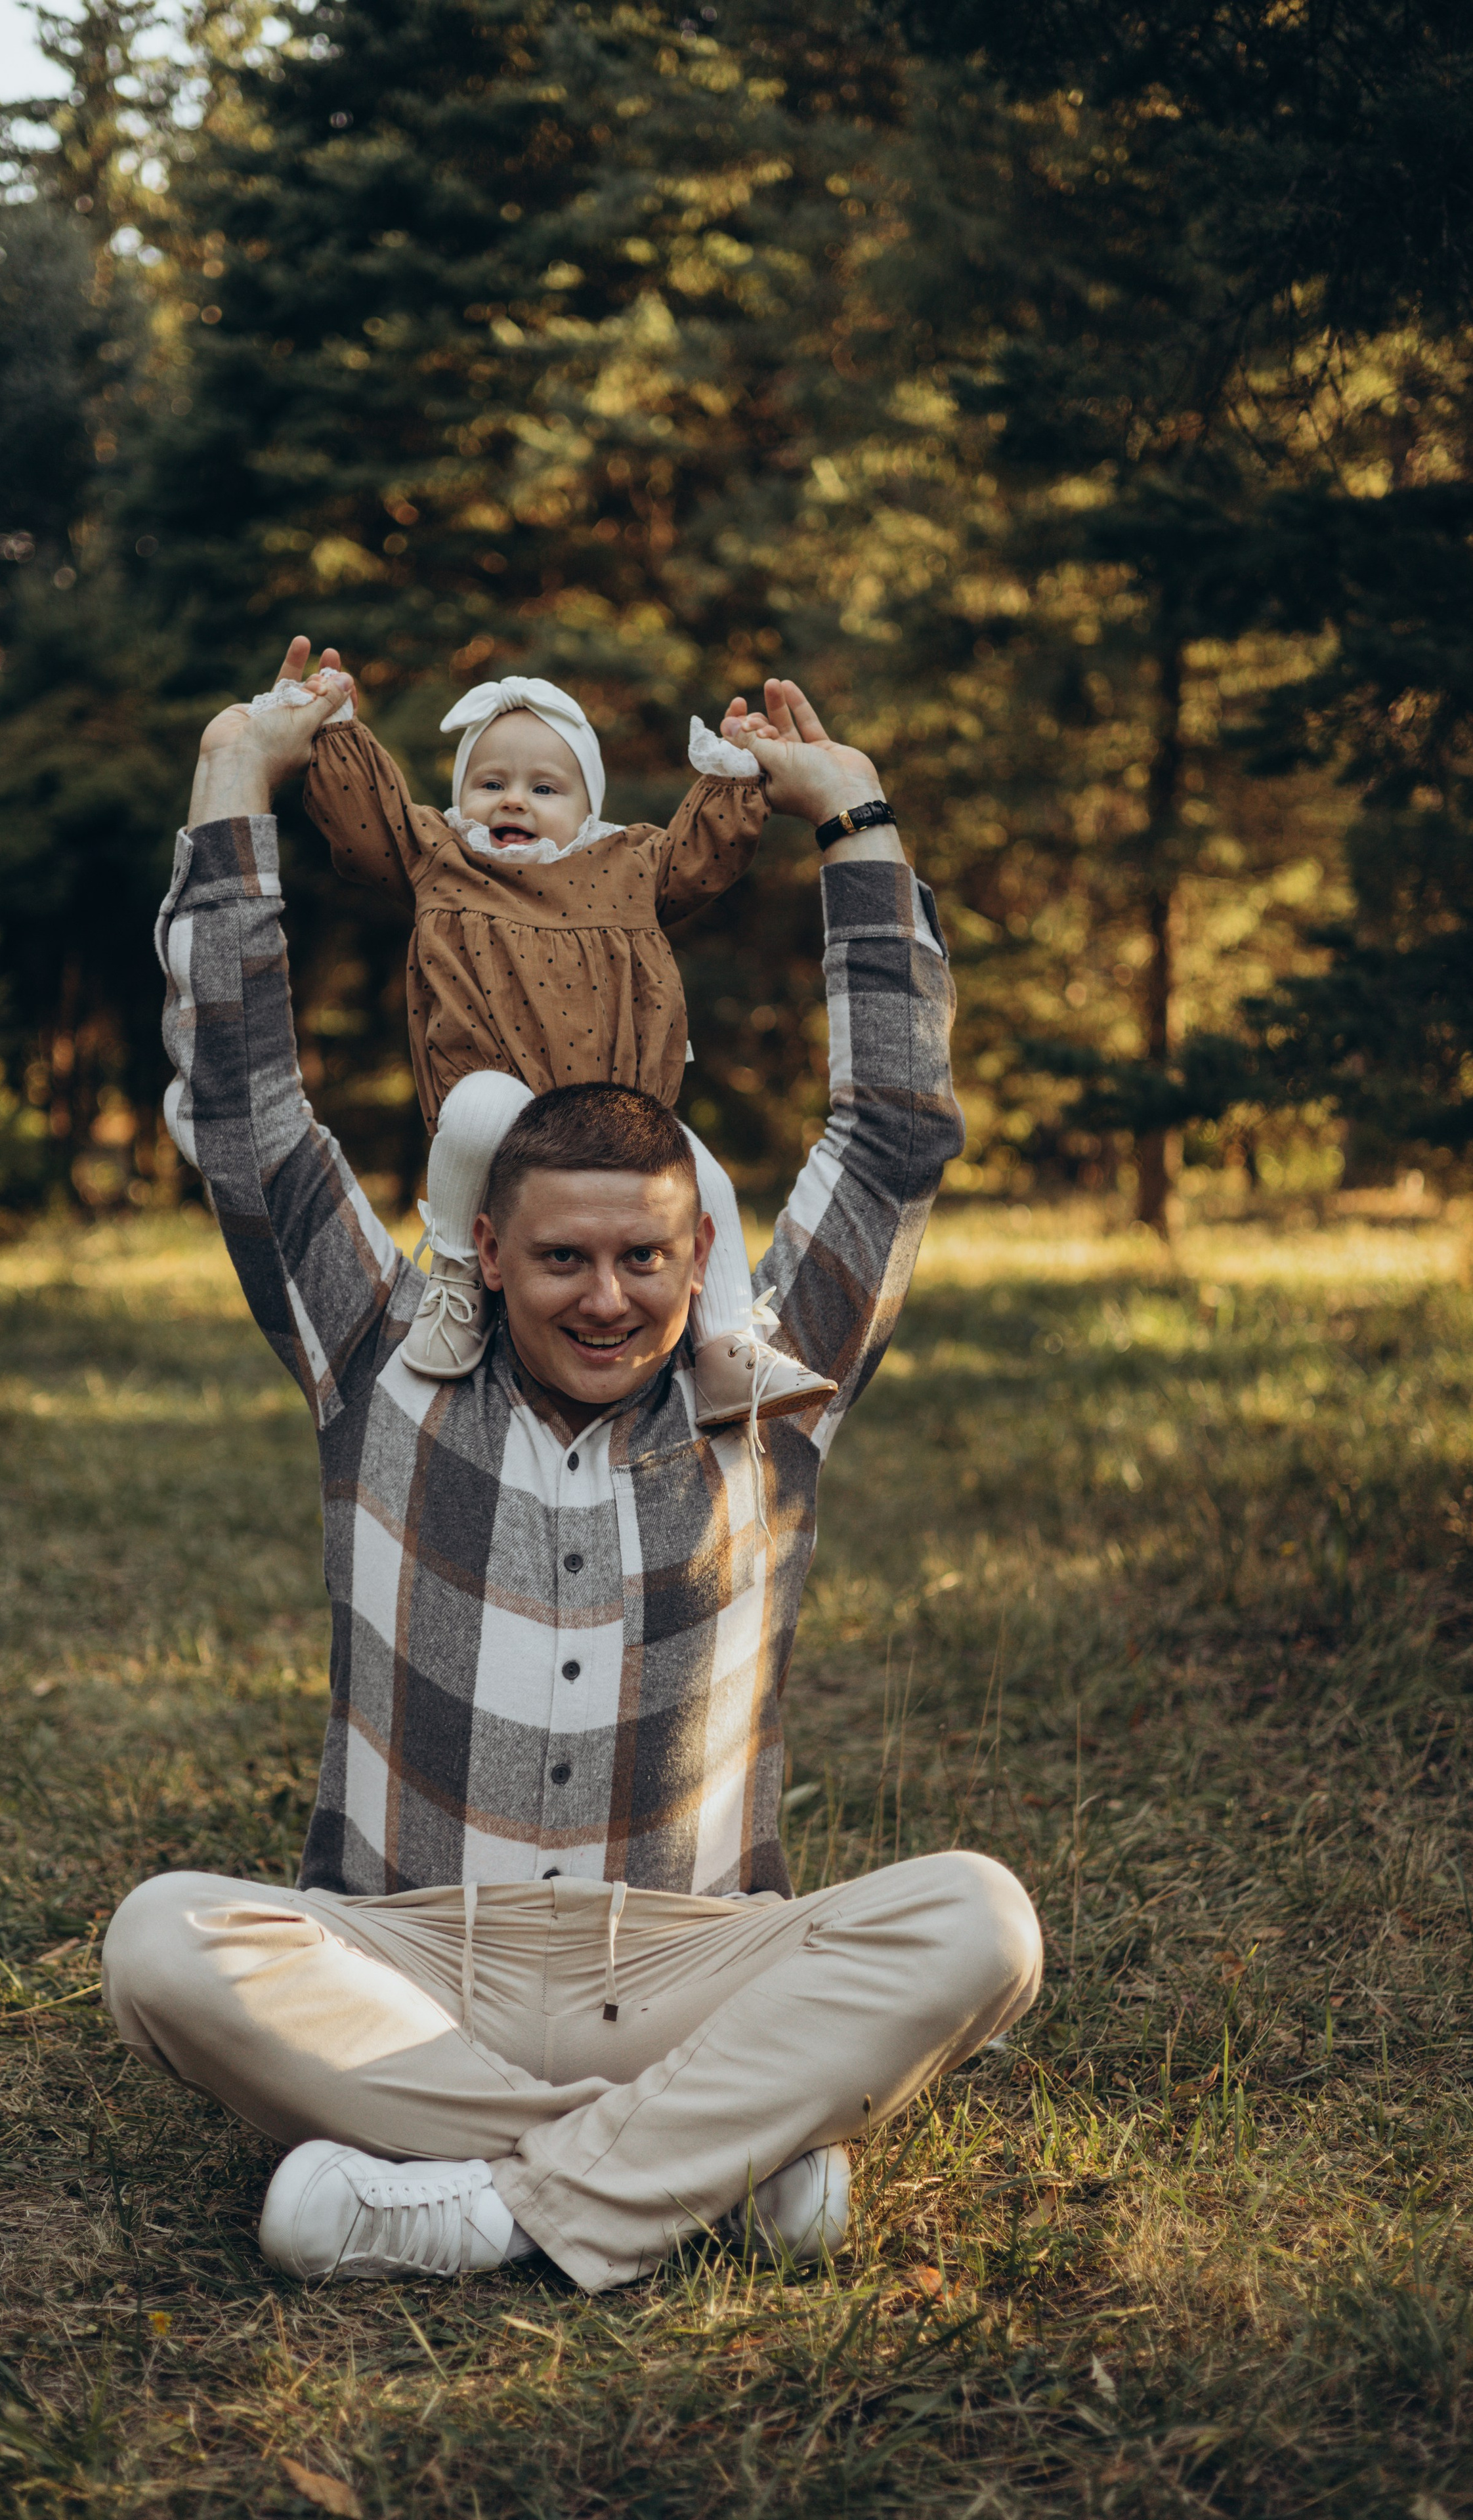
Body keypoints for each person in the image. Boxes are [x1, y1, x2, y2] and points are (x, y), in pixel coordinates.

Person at [100, 648, 1042, 2294]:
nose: (605, 1300)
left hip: (685, 1961)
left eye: (641, 1260)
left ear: (698, 1256)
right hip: (412, 1961)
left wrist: (854, 819)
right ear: (487, 1246)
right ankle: (702, 2161)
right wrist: (232, 777)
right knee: (159, 1941)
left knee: (980, 1922)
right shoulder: (379, 1361)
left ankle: (479, 2196)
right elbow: (245, 1116)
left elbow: (891, 1136)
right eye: (560, 1260)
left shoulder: (768, 1391)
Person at [284, 644, 834, 1431]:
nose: (513, 800)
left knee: (699, 1174)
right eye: (489, 783)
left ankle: (726, 1345)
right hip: (498, 1100)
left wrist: (736, 775)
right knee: (478, 1106)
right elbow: (366, 821)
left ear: (588, 807)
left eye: (544, 788)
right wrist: (332, 727)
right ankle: (455, 1284)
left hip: (620, 1115)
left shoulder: (628, 863)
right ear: (461, 797)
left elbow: (701, 859)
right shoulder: (441, 855)